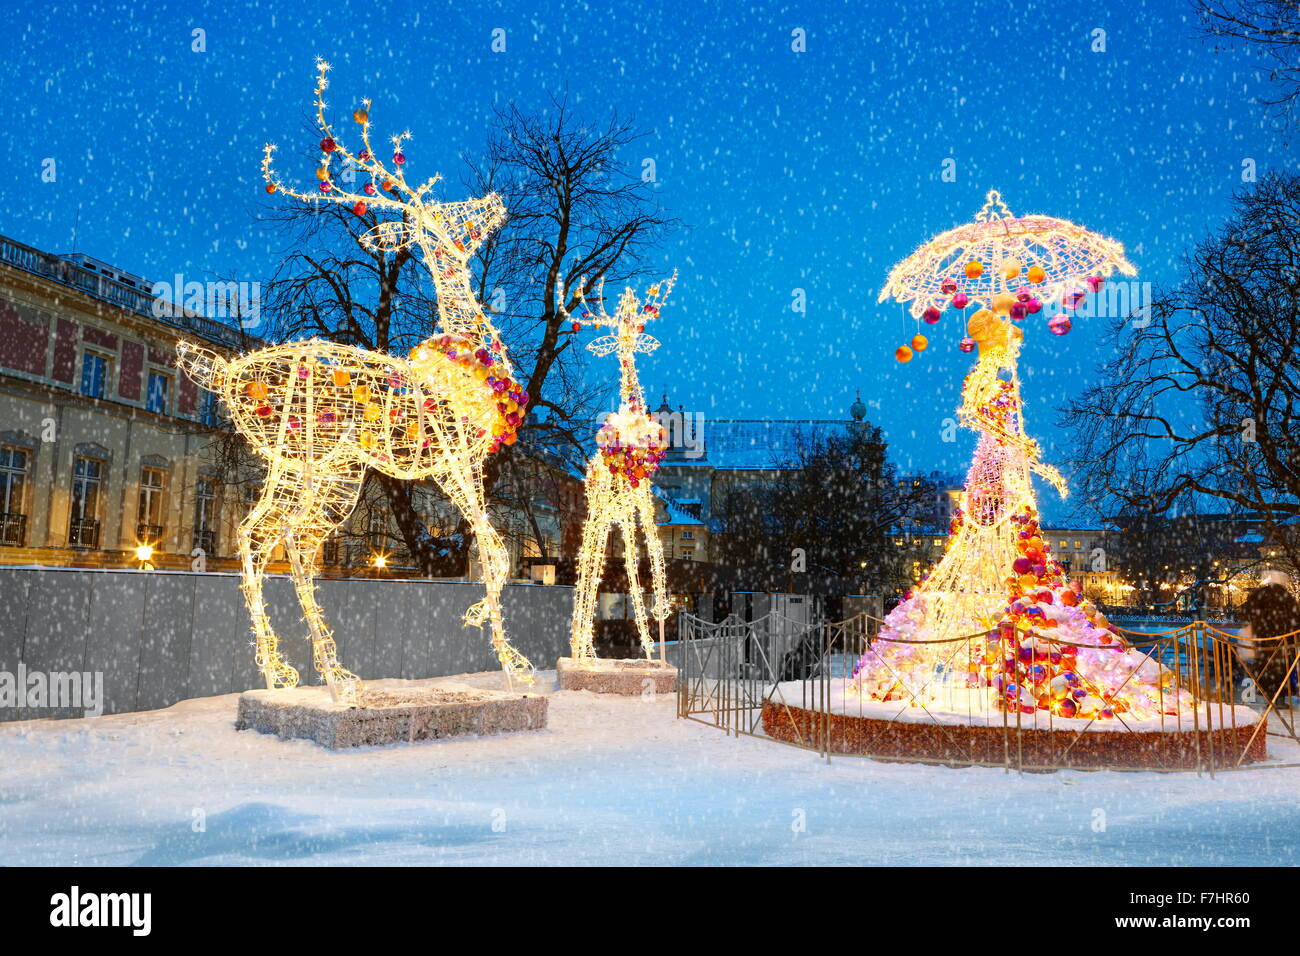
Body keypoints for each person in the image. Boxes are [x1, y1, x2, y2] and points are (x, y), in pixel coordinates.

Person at [1237, 577, 1300, 709]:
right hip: (1283, 642)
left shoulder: (1260, 598)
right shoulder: (1286, 600)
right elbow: (1296, 621)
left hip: (1264, 641)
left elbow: (1245, 612)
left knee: (1267, 670)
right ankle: (1280, 699)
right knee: (1283, 671)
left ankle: (1270, 697)